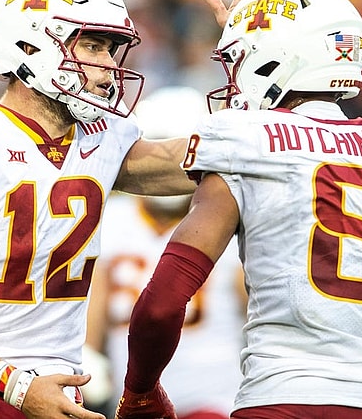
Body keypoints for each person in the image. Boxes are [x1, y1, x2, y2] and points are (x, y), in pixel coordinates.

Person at [0, 0, 285, 418]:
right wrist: (17, 387)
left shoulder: (102, 139)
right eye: (93, 48)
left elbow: (213, 156)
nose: (107, 66)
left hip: (59, 388)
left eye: (110, 50)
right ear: (30, 45)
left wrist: (252, 48)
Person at [116, 0, 362, 419]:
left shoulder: (246, 141)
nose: (232, 78)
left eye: (239, 60)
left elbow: (160, 306)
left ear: (275, 61)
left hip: (280, 400)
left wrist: (140, 395)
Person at [85, 86, 247, 419]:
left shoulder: (228, 218)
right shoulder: (111, 219)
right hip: (133, 404)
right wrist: (88, 359)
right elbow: (92, 318)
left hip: (217, 400)